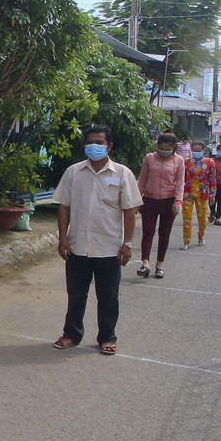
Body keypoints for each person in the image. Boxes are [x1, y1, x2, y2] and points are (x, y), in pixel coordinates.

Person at [52, 125, 141, 355]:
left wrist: (128, 243)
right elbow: (64, 206)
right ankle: (71, 334)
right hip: (78, 246)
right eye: (90, 142)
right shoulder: (73, 172)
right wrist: (63, 238)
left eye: (99, 142)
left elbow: (129, 210)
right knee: (76, 295)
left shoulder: (122, 174)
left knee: (108, 298)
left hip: (109, 248)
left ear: (109, 146)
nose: (93, 146)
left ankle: (107, 338)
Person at [136, 132, 184, 279]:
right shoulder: (150, 158)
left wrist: (178, 201)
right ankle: (145, 262)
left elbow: (180, 182)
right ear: (157, 146)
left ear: (174, 147)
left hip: (168, 201)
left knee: (164, 233)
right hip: (149, 200)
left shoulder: (179, 161)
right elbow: (142, 179)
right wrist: (137, 200)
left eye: (168, 148)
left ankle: (159, 264)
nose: (165, 150)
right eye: (162, 147)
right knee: (148, 231)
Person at [181, 142, 216, 249]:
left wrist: (212, 194)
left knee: (202, 218)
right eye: (194, 150)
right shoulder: (186, 162)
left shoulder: (210, 162)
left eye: (198, 150)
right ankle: (186, 240)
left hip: (203, 192)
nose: (196, 152)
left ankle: (201, 236)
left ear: (203, 150)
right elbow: (181, 177)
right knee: (187, 216)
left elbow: (213, 179)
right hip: (188, 192)